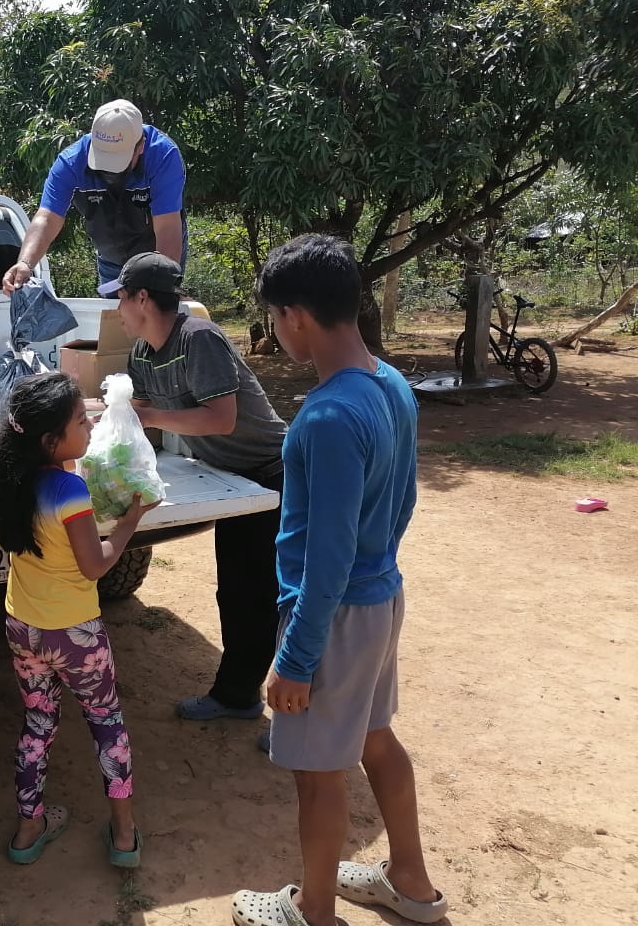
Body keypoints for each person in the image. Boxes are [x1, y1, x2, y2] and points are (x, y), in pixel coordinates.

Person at [230, 234, 447, 926]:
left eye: (272, 317)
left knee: (320, 771)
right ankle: (408, 881)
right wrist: (377, 566)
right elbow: (402, 500)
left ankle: (313, 912)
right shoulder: (390, 384)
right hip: (379, 597)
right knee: (375, 737)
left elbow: (325, 555)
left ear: (294, 315)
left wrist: (296, 658)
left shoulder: (326, 417)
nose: (274, 331)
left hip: (333, 615)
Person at [101, 252, 288, 721]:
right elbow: (141, 429)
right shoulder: (142, 351)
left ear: (142, 298)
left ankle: (296, 718)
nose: (116, 311)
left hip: (273, 473)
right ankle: (239, 696)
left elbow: (220, 419)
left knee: (276, 594)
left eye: (120, 298)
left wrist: (144, 415)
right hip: (231, 480)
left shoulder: (198, 338)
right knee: (238, 591)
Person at [0, 372, 154, 869]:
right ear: (49, 440)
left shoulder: (13, 481)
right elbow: (96, 565)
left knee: (38, 724)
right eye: (81, 421)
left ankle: (28, 826)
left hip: (23, 626)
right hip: (75, 633)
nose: (90, 425)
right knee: (106, 721)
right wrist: (129, 524)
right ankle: (123, 834)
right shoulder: (70, 490)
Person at [2, 99, 186, 293]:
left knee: (156, 310)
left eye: (117, 162)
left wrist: (159, 287)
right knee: (117, 317)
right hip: (111, 256)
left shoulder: (163, 156)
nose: (109, 172)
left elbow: (167, 227)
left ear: (140, 147)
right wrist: (25, 263)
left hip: (155, 249)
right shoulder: (71, 161)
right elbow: (47, 217)